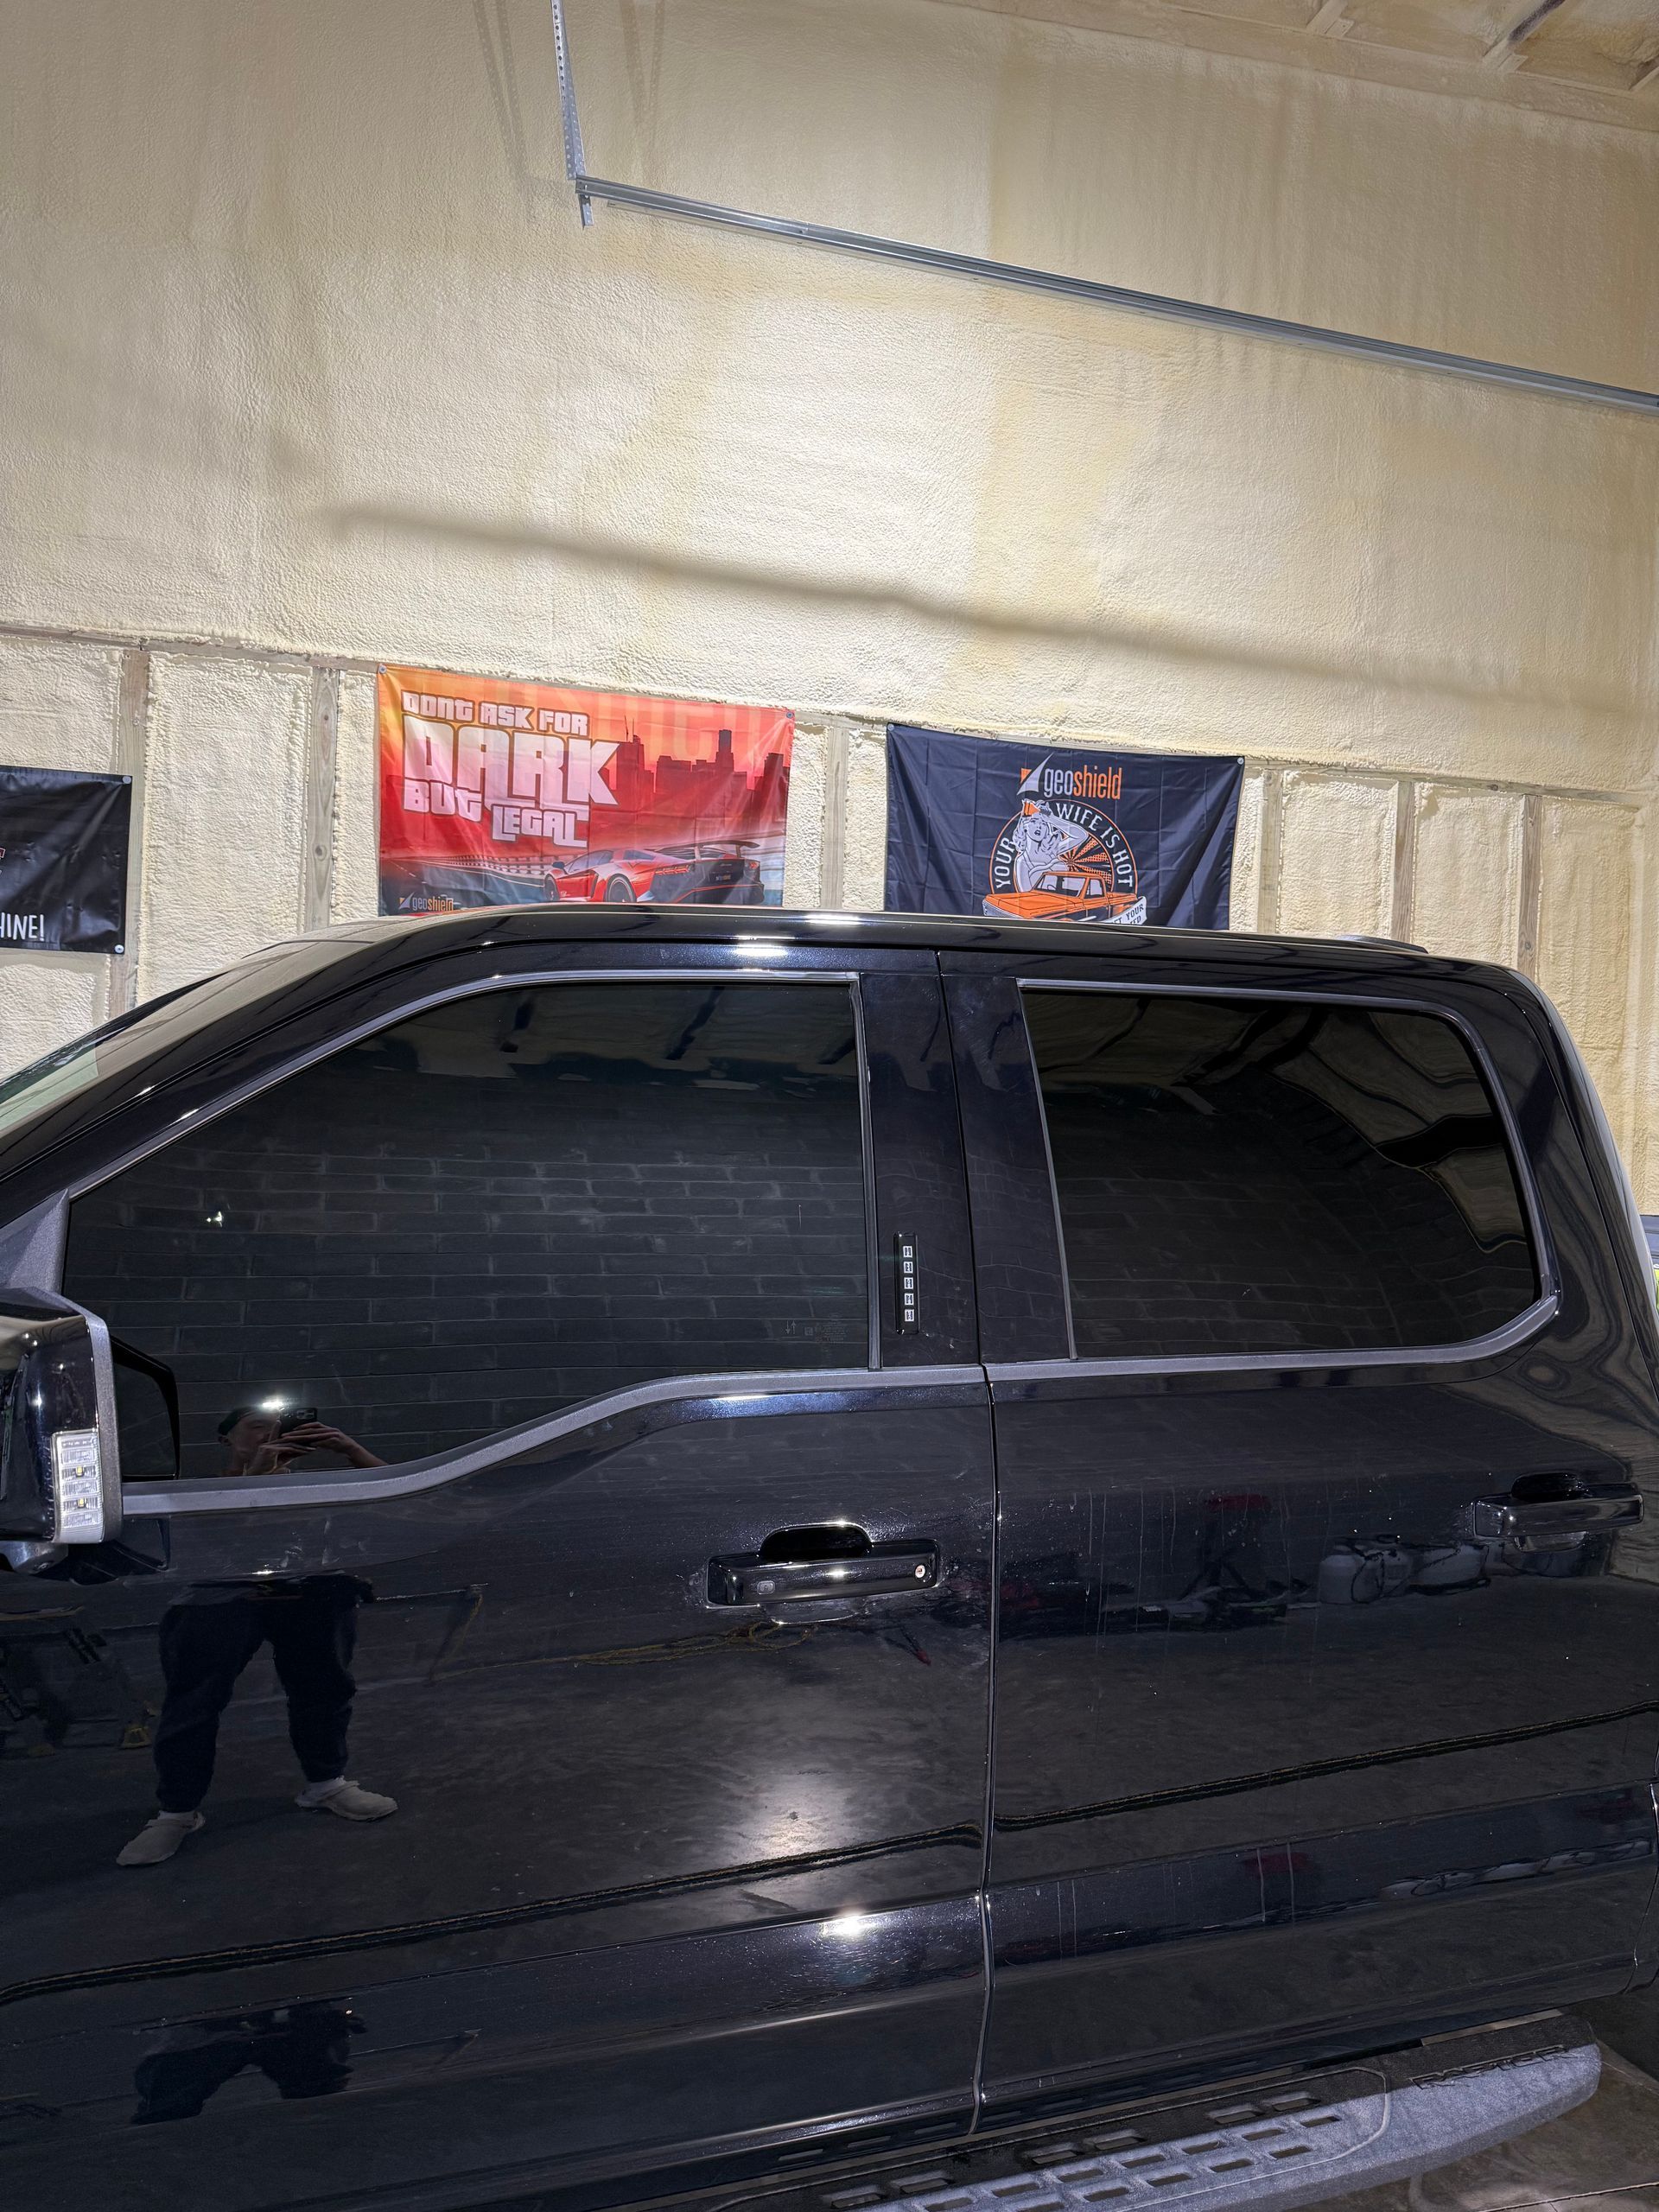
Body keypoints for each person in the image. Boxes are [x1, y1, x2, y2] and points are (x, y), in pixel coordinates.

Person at [117, 1407, 398, 1867]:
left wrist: (349, 1450)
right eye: (256, 1426)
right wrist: (255, 1474)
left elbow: (399, 1496)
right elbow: (224, 1539)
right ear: (226, 1439)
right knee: (194, 1703)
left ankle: (326, 1784)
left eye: (279, 1427)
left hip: (312, 1594)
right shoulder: (205, 1491)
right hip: (219, 1600)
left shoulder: (311, 1486)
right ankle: (176, 1812)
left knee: (324, 1690)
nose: (272, 1433)